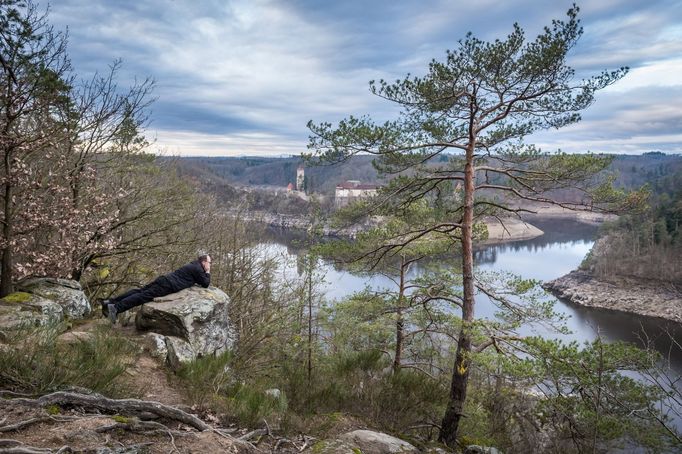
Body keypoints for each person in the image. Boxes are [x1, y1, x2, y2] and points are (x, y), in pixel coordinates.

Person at [101, 254, 212, 324]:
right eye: (209, 262)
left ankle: (110, 302)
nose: (210, 264)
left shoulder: (193, 265)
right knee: (142, 296)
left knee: (140, 291)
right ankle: (115, 308)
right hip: (168, 285)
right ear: (204, 262)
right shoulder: (198, 269)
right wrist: (207, 271)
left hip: (164, 279)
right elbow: (205, 283)